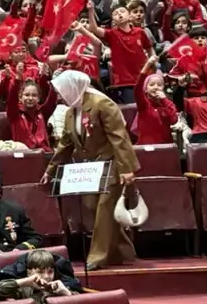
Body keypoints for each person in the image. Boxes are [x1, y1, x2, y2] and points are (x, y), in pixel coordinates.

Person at [41, 71, 140, 270]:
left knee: (104, 209)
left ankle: (97, 256)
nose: (59, 95)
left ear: (73, 87)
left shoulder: (102, 104)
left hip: (112, 164)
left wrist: (127, 168)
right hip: (91, 169)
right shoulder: (70, 112)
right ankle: (122, 251)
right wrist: (50, 170)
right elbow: (65, 144)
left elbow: (119, 137)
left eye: (61, 91)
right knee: (92, 207)